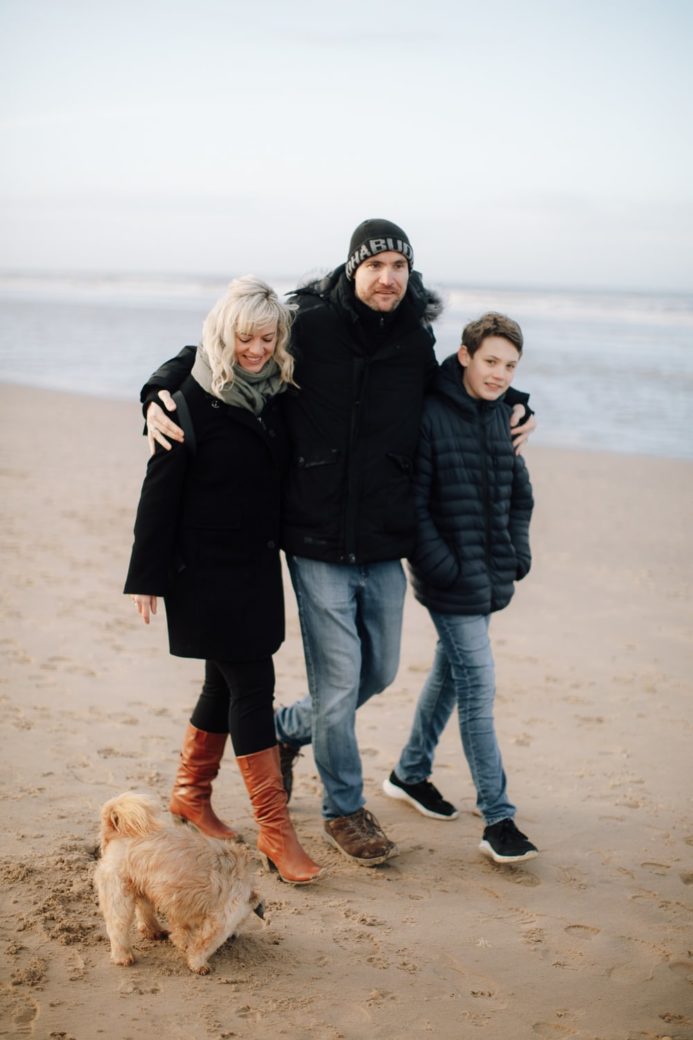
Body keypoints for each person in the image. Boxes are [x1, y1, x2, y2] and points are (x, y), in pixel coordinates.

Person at [142, 220, 536, 868]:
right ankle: (343, 809)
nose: (386, 277)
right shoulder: (309, 321)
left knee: (376, 673)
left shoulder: (416, 338)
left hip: (384, 541)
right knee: (337, 684)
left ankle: (286, 731)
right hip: (316, 537)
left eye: (398, 267)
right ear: (352, 269)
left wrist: (517, 400)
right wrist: (156, 387)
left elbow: (460, 382)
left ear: (409, 276)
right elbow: (227, 345)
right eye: (374, 264)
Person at [124, 276, 321, 885]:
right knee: (253, 684)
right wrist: (145, 576)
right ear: (222, 334)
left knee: (221, 683)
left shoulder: (278, 392)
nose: (256, 350)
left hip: (256, 566)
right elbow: (160, 491)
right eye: (244, 338)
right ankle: (274, 829)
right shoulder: (186, 397)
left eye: (267, 337)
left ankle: (190, 795)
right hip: (202, 571)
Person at [382, 312, 538, 864]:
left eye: (510, 366)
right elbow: (413, 506)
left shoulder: (504, 415)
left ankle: (409, 772)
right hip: (449, 580)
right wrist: (443, 567)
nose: (499, 374)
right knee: (478, 689)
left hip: (490, 574)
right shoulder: (429, 415)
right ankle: (499, 817)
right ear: (465, 355)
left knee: (451, 675)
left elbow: (520, 493)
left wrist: (516, 554)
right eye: (491, 361)